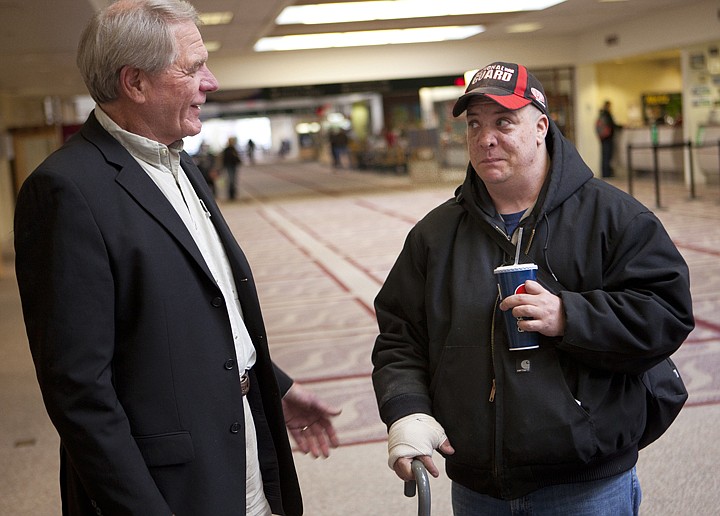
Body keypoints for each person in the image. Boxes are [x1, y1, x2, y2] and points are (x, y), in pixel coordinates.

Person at [13, 1, 340, 515]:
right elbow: (79, 392)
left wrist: (270, 385)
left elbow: (202, 309)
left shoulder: (180, 163)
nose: (210, 81)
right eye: (192, 68)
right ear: (135, 83)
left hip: (240, 446)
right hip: (171, 488)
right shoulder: (66, 191)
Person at [372, 62, 694, 515]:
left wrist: (570, 317)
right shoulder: (435, 235)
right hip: (477, 487)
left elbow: (667, 314)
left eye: (504, 122)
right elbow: (399, 336)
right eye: (475, 125)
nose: (486, 138)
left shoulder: (614, 218)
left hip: (584, 484)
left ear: (541, 126)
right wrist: (406, 409)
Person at [596, 100, 621, 178]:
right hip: (608, 137)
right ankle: (607, 174)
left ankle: (605, 173)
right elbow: (612, 125)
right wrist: (621, 127)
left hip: (603, 138)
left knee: (604, 155)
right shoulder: (607, 114)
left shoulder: (601, 114)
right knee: (607, 156)